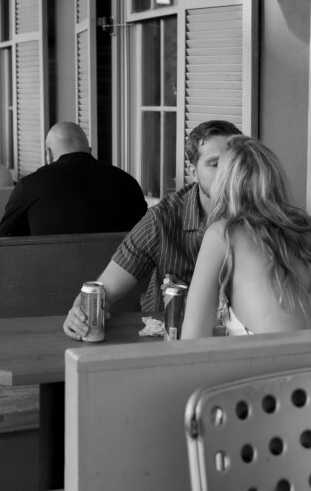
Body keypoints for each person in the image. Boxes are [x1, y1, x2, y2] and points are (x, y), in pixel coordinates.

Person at [63, 119, 242, 339]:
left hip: (238, 343)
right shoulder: (162, 219)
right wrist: (78, 314)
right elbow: (104, 290)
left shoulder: (261, 217)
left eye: (232, 164)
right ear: (193, 171)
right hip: (166, 341)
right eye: (215, 164)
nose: (226, 174)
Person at [180, 136, 311, 338]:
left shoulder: (222, 234)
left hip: (271, 367)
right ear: (275, 178)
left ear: (224, 182)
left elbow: (192, 340)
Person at [0, 121, 147, 237]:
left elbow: (5, 239)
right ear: (90, 150)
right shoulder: (127, 182)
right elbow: (145, 232)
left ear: (48, 153)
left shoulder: (28, 185)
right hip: (116, 275)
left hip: (50, 273)